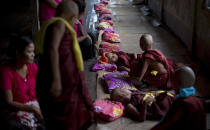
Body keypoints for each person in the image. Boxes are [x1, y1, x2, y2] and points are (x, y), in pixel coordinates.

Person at [35, 1, 94, 130]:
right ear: (72, 17)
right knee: (62, 118)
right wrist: (56, 80)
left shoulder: (56, 25)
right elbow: (53, 48)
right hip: (58, 79)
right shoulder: (59, 24)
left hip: (66, 78)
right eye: (75, 20)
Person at [0, 36, 45, 130]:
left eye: (33, 51)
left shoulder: (32, 67)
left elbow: (43, 85)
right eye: (29, 52)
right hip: (16, 111)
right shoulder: (6, 72)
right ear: (18, 53)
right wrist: (32, 109)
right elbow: (9, 102)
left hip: (34, 105)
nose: (33, 54)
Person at [110, 87, 175, 121]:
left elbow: (146, 94)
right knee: (167, 101)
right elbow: (141, 119)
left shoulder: (134, 93)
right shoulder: (129, 106)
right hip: (157, 107)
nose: (126, 88)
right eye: (123, 89)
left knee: (167, 94)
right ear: (121, 95)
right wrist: (145, 103)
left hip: (157, 98)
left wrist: (153, 92)